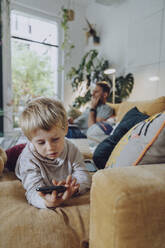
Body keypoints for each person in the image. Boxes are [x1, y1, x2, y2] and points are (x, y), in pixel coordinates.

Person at [15, 97, 91, 209]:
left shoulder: (72, 149)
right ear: (30, 139)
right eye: (41, 142)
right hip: (18, 155)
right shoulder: (28, 159)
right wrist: (47, 202)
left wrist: (73, 188)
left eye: (55, 139)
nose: (50, 148)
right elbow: (32, 190)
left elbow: (84, 176)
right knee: (9, 156)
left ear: (65, 129)